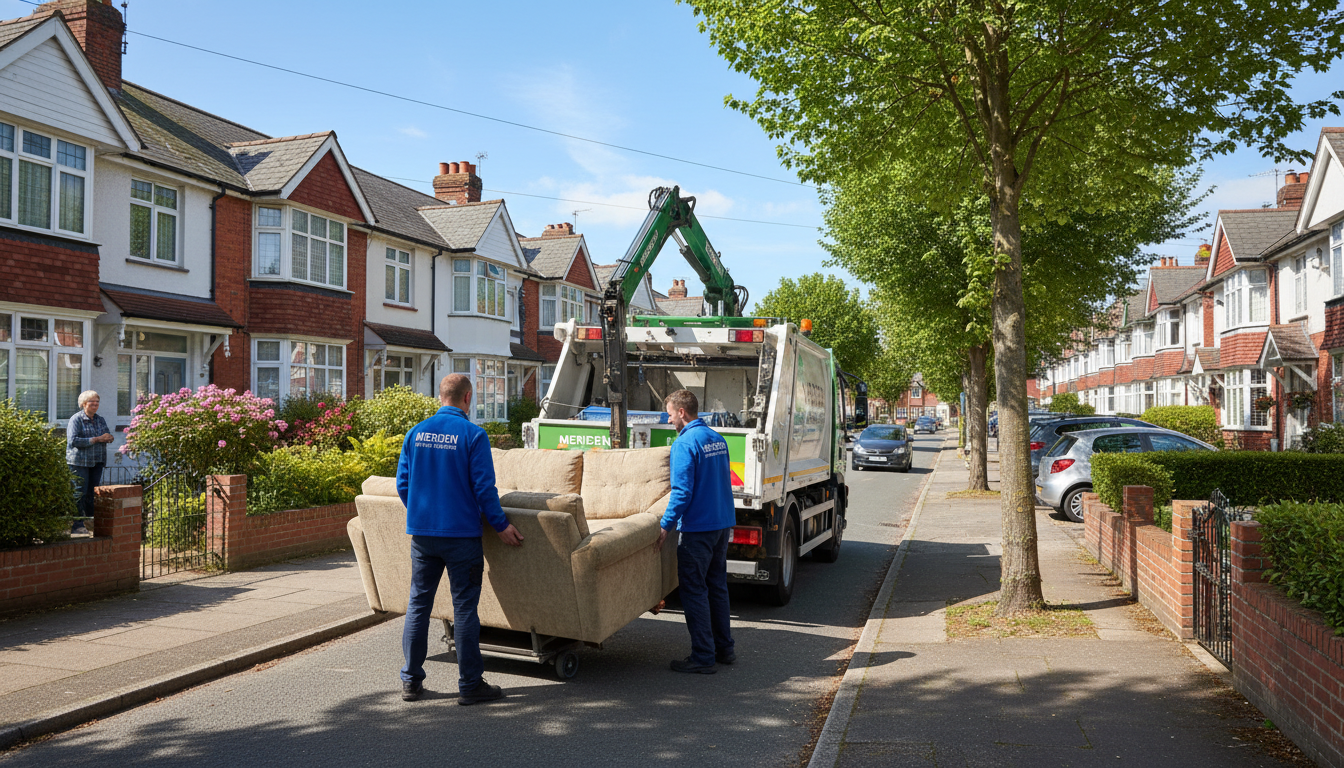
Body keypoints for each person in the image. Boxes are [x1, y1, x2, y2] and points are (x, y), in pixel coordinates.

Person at [396, 374, 523, 705]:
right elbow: (484, 488)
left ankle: (410, 681)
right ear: (467, 398)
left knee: (418, 605)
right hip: (462, 537)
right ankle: (470, 684)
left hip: (423, 537)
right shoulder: (473, 435)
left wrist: (423, 515)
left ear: (441, 397)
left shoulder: (415, 433)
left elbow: (403, 484)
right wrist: (500, 525)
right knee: (464, 608)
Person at [656, 389, 737, 674]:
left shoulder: (684, 443)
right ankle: (724, 649)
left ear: (682, 412)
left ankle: (703, 656)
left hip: (698, 529)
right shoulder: (717, 439)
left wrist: (665, 525)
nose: (668, 420)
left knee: (694, 590)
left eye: (669, 414)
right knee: (717, 587)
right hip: (721, 524)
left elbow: (682, 492)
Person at [66, 390, 112, 536]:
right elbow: (73, 441)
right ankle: (77, 524)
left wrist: (108, 437)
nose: (95, 404)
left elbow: (106, 434)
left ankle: (91, 523)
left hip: (96, 461)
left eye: (97, 402)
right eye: (92, 402)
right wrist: (96, 439)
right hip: (79, 462)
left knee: (92, 493)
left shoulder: (100, 419)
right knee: (80, 492)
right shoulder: (76, 419)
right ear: (84, 404)